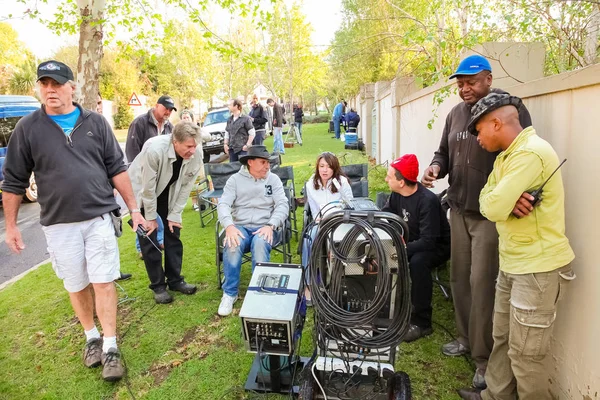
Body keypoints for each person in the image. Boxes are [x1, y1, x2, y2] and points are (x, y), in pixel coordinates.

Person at [2, 60, 147, 382]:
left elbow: (117, 169)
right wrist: (11, 226)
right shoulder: (27, 128)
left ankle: (110, 346)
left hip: (98, 217)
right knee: (76, 283)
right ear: (39, 88)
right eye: (44, 84)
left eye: (57, 84)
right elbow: (13, 180)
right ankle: (91, 337)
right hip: (57, 223)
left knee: (104, 280)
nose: (50, 90)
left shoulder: (96, 122)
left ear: (71, 87)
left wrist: (134, 208)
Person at [420, 54, 532, 389]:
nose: (465, 89)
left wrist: (519, 193)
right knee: (459, 279)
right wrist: (436, 168)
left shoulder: (507, 110)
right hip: (458, 209)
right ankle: (464, 339)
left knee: (483, 283)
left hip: (488, 216)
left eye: (471, 82)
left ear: (488, 79)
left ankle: (484, 360)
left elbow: (520, 153)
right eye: (460, 83)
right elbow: (443, 152)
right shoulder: (455, 114)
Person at [456, 93, 576, 400]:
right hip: (514, 264)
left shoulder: (530, 155)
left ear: (496, 123)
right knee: (504, 339)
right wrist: (504, 201)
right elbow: (486, 201)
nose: (477, 138)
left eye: (479, 129)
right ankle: (494, 396)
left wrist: (501, 202)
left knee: (527, 356)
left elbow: (494, 207)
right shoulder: (507, 157)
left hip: (536, 270)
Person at [128, 121, 204, 304]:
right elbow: (148, 188)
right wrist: (151, 218)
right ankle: (158, 286)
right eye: (188, 146)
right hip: (144, 193)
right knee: (150, 238)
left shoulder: (196, 153)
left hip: (169, 193)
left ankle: (175, 280)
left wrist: (175, 215)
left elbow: (186, 188)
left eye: (195, 146)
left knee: (173, 233)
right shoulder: (154, 150)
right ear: (175, 141)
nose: (192, 150)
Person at [382, 154, 451, 342]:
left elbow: (429, 241)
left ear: (401, 182)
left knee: (418, 263)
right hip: (412, 242)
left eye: (389, 176)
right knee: (385, 253)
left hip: (437, 246)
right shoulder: (397, 195)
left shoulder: (426, 200)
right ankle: (391, 308)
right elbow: (387, 214)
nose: (386, 179)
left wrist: (400, 249)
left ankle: (422, 322)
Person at [216, 145, 289, 316]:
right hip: (240, 226)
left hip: (265, 226)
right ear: (250, 162)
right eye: (263, 162)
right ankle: (230, 294)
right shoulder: (234, 180)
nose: (267, 166)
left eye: (268, 162)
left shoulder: (273, 180)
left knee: (260, 243)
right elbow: (224, 204)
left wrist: (271, 225)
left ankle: (261, 292)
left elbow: (283, 205)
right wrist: (229, 226)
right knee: (233, 244)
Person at [302, 152, 353, 304]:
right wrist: (319, 219)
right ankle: (309, 284)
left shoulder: (341, 182)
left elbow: (350, 205)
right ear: (317, 167)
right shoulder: (311, 183)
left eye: (329, 167)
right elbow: (313, 208)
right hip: (320, 222)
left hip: (339, 223)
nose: (325, 170)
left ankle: (338, 283)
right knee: (307, 241)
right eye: (322, 166)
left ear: (334, 168)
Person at [125, 95, 176, 163]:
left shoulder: (169, 127)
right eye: (166, 108)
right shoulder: (139, 123)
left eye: (171, 110)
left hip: (161, 170)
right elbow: (132, 149)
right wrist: (137, 170)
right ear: (157, 105)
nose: (168, 112)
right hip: (143, 169)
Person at [224, 98, 255, 162]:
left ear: (236, 106)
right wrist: (225, 144)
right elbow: (227, 133)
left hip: (243, 150)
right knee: (233, 170)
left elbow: (252, 133)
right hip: (232, 149)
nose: (228, 106)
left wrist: (247, 145)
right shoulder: (229, 119)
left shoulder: (246, 119)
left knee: (244, 169)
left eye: (230, 105)